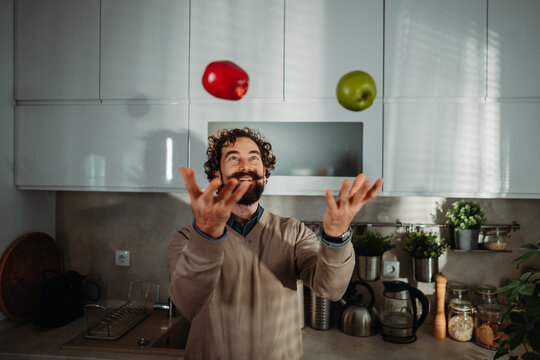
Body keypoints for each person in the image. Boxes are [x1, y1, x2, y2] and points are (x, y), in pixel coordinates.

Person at [168, 127, 383, 360]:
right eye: (233, 158)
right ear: (216, 173)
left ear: (264, 172)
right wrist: (207, 237)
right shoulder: (189, 238)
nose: (246, 166)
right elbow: (187, 302)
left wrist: (336, 236)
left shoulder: (293, 232)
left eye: (253, 158)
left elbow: (331, 289)